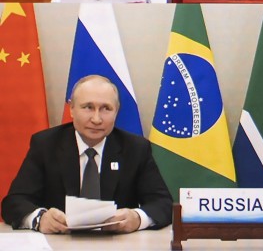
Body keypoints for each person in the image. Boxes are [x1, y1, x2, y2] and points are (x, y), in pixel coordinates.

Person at [1, 75, 172, 234]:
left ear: (116, 112)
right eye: (88, 107)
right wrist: (40, 219)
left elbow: (164, 204)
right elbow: (13, 203)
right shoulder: (46, 144)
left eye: (106, 108)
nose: (96, 119)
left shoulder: (135, 148)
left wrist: (137, 218)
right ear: (72, 109)